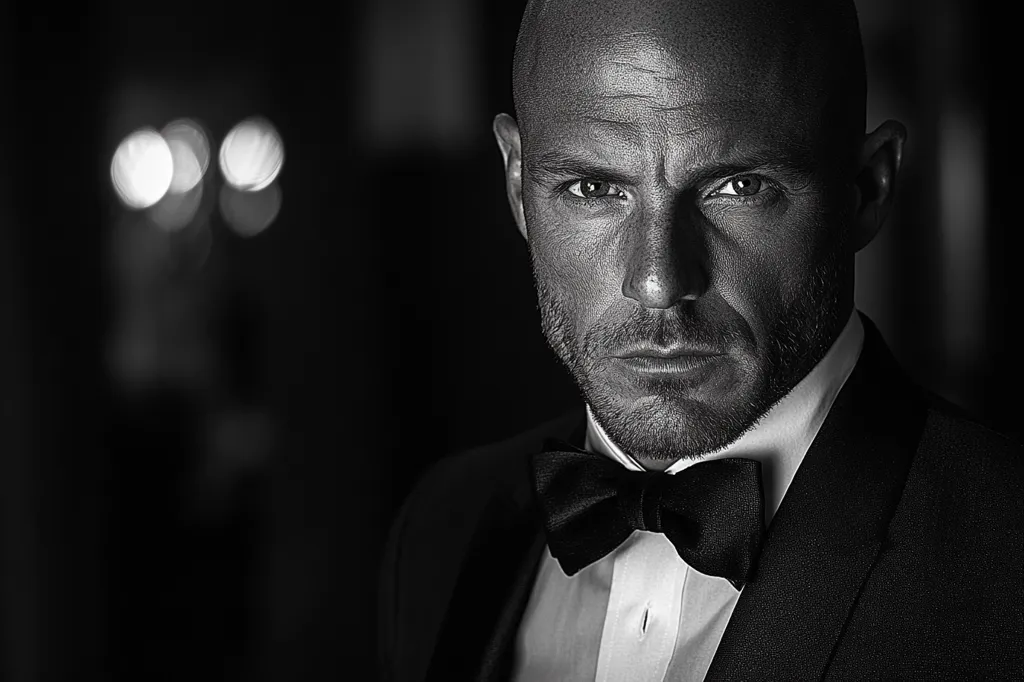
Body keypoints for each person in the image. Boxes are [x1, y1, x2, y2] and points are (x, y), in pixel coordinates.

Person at [377, 0, 1023, 679]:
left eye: (738, 186)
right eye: (591, 187)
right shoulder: (440, 530)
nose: (658, 282)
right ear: (517, 186)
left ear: (866, 188)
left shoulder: (1006, 557)